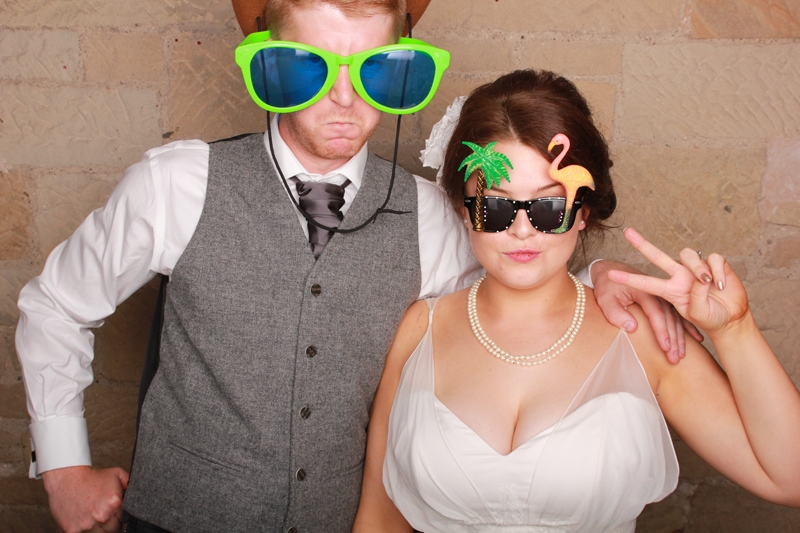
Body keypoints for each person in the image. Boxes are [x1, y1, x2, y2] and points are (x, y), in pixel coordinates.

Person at [16, 3, 686, 533]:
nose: (343, 96)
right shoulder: (178, 183)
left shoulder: (429, 216)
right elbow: (56, 304)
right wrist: (64, 464)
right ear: (269, 62)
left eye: (375, 69)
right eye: (310, 67)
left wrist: (603, 278)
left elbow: (522, 273)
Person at [353, 69, 800, 532]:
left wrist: (734, 330)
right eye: (496, 206)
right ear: (463, 211)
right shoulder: (418, 331)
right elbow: (379, 520)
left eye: (548, 207)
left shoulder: (640, 335)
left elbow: (790, 480)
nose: (522, 230)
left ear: (582, 212)